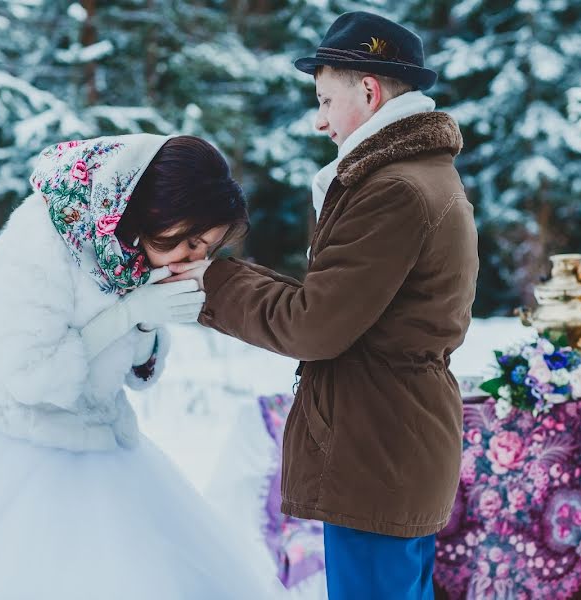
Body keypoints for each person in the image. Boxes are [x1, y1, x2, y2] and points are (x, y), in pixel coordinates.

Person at [0, 134, 277, 600]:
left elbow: (137, 372)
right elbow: (31, 375)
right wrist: (128, 315)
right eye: (191, 242)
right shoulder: (37, 244)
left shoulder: (125, 251)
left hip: (109, 450)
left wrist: (146, 323)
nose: (194, 261)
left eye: (206, 249)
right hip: (27, 457)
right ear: (151, 208)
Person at [169, 11, 480, 600]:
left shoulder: (394, 189)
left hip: (379, 450)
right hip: (395, 442)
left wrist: (213, 284)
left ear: (368, 91)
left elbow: (314, 325)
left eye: (326, 101)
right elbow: (334, 304)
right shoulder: (415, 177)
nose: (319, 121)